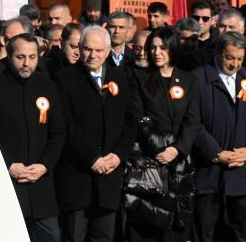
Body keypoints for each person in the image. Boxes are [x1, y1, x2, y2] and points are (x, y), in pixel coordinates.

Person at [55, 25, 137, 242]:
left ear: (108, 51)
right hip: (77, 174)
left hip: (109, 174)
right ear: (80, 48)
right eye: (88, 49)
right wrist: (92, 157)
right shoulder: (64, 78)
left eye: (99, 50)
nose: (93, 55)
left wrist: (118, 155)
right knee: (74, 236)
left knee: (103, 236)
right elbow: (66, 124)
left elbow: (131, 121)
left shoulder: (121, 77)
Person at [0, 33, 66, 242]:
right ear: (9, 56)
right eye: (20, 57)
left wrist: (44, 165)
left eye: (32, 57)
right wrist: (9, 164)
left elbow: (58, 132)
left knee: (51, 236)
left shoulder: (48, 86)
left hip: (41, 184)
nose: (27, 63)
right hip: (8, 181)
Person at [124, 27, 200, 242]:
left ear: (173, 48)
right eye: (153, 48)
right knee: (147, 225)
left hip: (180, 164)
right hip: (149, 163)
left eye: (163, 48)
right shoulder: (140, 79)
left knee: (176, 227)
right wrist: (161, 148)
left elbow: (193, 120)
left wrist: (177, 149)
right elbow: (140, 119)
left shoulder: (189, 80)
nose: (157, 52)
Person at [192, 32, 246, 242]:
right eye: (230, 58)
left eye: (240, 59)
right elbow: (193, 122)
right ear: (218, 53)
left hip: (241, 175)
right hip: (208, 174)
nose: (235, 64)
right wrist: (216, 153)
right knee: (205, 233)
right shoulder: (198, 79)